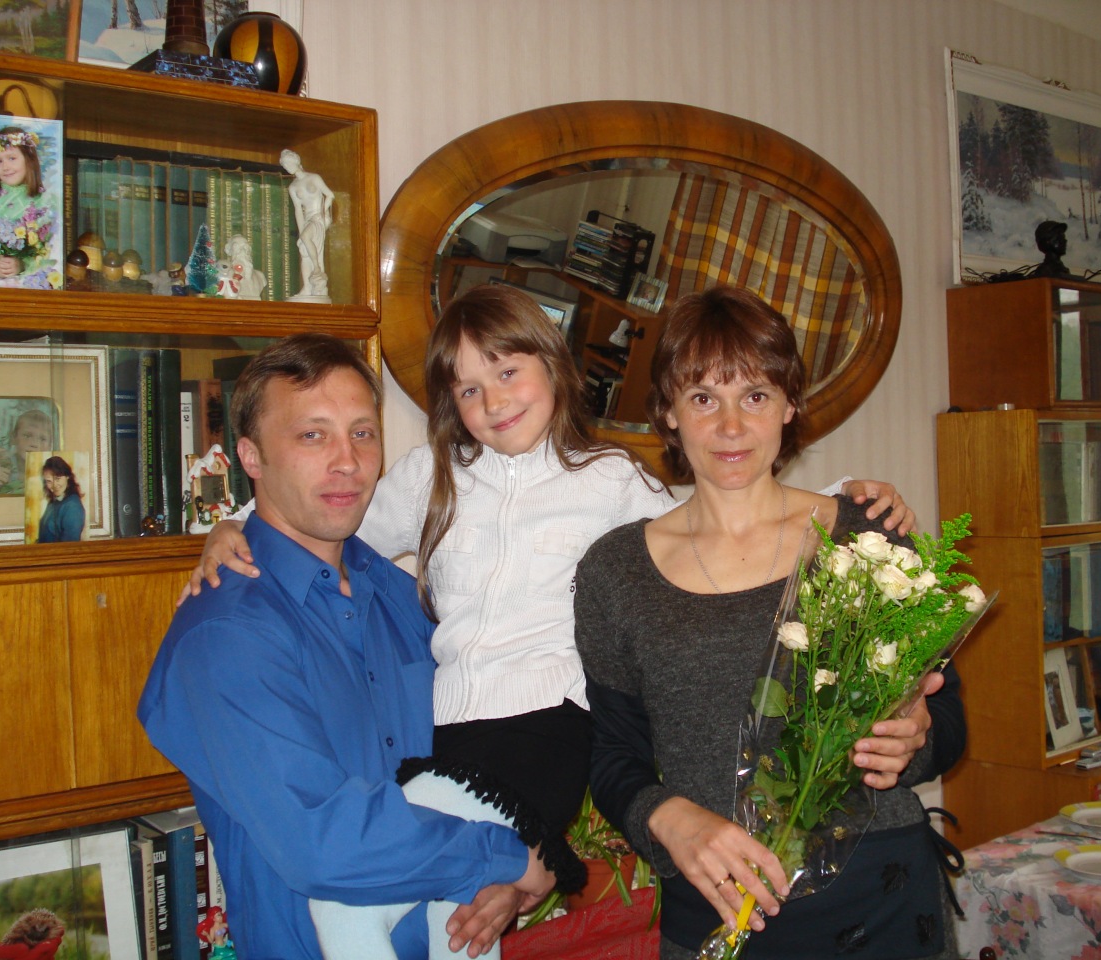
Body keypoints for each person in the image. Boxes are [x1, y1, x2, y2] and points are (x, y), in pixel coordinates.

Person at [186, 286, 914, 949]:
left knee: (366, 905)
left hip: (545, 728)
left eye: (508, 372)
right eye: (469, 389)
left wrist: (843, 496)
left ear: (553, 367)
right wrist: (235, 526)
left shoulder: (605, 478)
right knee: (443, 917)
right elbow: (325, 522)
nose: (494, 400)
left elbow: (711, 514)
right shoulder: (430, 477)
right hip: (449, 732)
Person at [574, 285, 965, 960]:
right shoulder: (616, 572)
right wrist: (669, 816)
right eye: (703, 398)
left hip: (883, 897)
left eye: (754, 395)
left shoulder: (867, 540)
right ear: (668, 412)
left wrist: (915, 738)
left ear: (789, 405)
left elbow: (949, 722)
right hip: (717, 908)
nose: (731, 426)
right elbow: (611, 753)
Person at [139, 334, 555, 960]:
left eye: (363, 433)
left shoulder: (400, 596)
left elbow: (477, 743)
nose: (348, 462)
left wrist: (496, 879)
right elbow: (321, 840)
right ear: (251, 456)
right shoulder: (226, 632)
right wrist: (502, 856)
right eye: (313, 436)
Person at [0, 126, 57, 285]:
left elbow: (48, 250)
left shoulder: (44, 202)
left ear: (29, 160)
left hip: (29, 280)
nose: (5, 167)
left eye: (12, 158)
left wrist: (21, 264)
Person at [281, 148, 334, 301]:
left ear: (296, 161)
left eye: (288, 163)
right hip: (307, 220)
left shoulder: (314, 178)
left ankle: (317, 268)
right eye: (285, 165)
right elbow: (298, 210)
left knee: (306, 239)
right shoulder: (292, 187)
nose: (287, 167)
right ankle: (307, 287)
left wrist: (322, 214)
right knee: (304, 252)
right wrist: (301, 231)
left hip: (318, 218)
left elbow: (330, 195)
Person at [0, 407, 53, 495]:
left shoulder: (51, 472)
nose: (34, 444)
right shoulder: (3, 465)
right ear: (14, 438)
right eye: (27, 436)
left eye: (42, 439)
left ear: (50, 446)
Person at [35, 455, 85, 542]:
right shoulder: (54, 502)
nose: (54, 485)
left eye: (57, 479)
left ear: (68, 476)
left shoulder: (73, 507)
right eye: (49, 481)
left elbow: (68, 547)